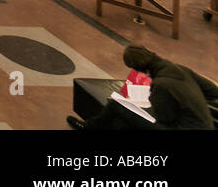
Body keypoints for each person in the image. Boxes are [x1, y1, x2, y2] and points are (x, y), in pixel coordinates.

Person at [68, 45, 218, 130]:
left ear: (142, 70)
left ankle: (88, 128)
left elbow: (164, 118)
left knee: (116, 105)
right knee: (122, 120)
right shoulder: (180, 69)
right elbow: (213, 90)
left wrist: (147, 104)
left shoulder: (161, 85)